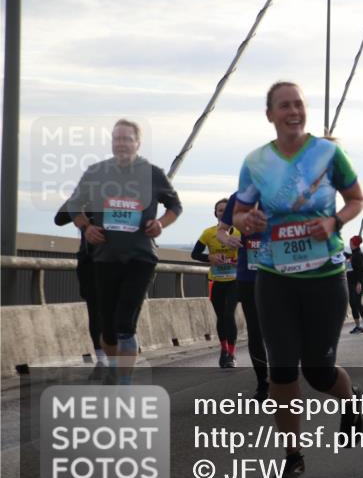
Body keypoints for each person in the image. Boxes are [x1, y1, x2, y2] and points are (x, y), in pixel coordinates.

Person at [232, 80, 363, 478]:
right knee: (282, 371)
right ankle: (293, 457)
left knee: (319, 372)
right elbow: (238, 213)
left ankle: (350, 399)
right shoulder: (255, 162)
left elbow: (356, 199)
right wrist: (246, 220)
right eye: (284, 106)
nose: (294, 111)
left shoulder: (328, 153)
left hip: (325, 277)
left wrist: (334, 221)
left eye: (299, 105)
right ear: (270, 114)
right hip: (274, 277)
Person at [65, 119, 183, 384]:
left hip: (140, 258)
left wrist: (160, 223)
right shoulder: (96, 172)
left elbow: (175, 205)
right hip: (105, 258)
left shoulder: (153, 173)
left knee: (124, 323)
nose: (121, 144)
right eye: (117, 139)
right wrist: (86, 228)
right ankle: (113, 369)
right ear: (112, 142)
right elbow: (73, 205)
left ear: (137, 143)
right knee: (107, 327)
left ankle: (124, 383)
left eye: (127, 139)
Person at [218, 192, 269, 401]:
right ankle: (263, 384)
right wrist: (226, 238)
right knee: (255, 331)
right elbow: (222, 229)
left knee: (281, 330)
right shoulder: (239, 197)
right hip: (249, 275)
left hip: (281, 275)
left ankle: (286, 377)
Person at [54, 202, 106, 376]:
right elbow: (59, 219)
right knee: (95, 309)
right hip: (90, 262)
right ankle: (102, 361)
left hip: (119, 261)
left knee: (114, 311)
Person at [191, 199, 241, 368]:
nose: (222, 212)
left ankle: (232, 354)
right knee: (221, 316)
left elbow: (251, 255)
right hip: (216, 281)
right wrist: (209, 257)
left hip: (234, 280)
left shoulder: (239, 233)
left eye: (226, 210)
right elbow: (194, 254)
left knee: (229, 313)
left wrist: (238, 262)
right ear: (215, 213)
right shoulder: (208, 233)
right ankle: (224, 350)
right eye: (220, 210)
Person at [347, 235, 363, 333]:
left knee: (357, 302)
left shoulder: (359, 255)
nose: (349, 244)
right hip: (351, 281)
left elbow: (361, 271)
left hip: (357, 283)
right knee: (352, 303)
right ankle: (357, 326)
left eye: (351, 242)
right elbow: (349, 256)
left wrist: (359, 283)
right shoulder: (354, 254)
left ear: (354, 244)